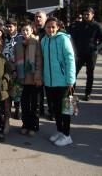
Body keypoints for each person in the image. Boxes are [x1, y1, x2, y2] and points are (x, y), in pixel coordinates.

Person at [41, 17, 76, 146]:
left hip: (63, 81)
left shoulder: (63, 39)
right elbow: (44, 61)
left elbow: (70, 59)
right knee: (55, 108)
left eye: (53, 27)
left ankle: (67, 135)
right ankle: (60, 131)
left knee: (65, 109)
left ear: (57, 28)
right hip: (50, 82)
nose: (51, 29)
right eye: (48, 27)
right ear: (45, 28)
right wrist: (44, 78)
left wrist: (71, 79)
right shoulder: (44, 40)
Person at [14, 20, 43, 137]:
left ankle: (34, 126)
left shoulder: (36, 44)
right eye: (23, 30)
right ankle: (25, 124)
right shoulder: (18, 44)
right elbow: (16, 60)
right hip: (22, 79)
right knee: (24, 104)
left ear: (32, 31)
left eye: (27, 30)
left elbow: (39, 62)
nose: (25, 32)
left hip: (34, 79)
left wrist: (37, 77)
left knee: (34, 104)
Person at [69, 7, 102, 101]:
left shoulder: (97, 26)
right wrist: (74, 48)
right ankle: (71, 92)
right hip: (79, 53)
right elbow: (73, 38)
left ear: (92, 15)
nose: (86, 16)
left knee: (90, 73)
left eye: (88, 14)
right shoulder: (79, 25)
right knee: (73, 73)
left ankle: (88, 93)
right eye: (84, 14)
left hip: (91, 53)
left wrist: (96, 48)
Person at [34, 10, 53, 119]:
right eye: (36, 17)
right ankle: (40, 110)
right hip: (38, 64)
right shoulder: (33, 30)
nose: (38, 19)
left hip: (49, 64)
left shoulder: (50, 31)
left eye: (40, 17)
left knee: (49, 90)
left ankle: (51, 111)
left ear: (45, 18)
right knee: (38, 90)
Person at [3, 19, 22, 121]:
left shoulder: (20, 37)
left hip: (19, 65)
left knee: (18, 88)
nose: (9, 29)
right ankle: (8, 110)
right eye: (7, 27)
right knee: (10, 88)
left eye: (11, 26)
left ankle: (18, 108)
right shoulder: (5, 37)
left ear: (15, 26)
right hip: (8, 66)